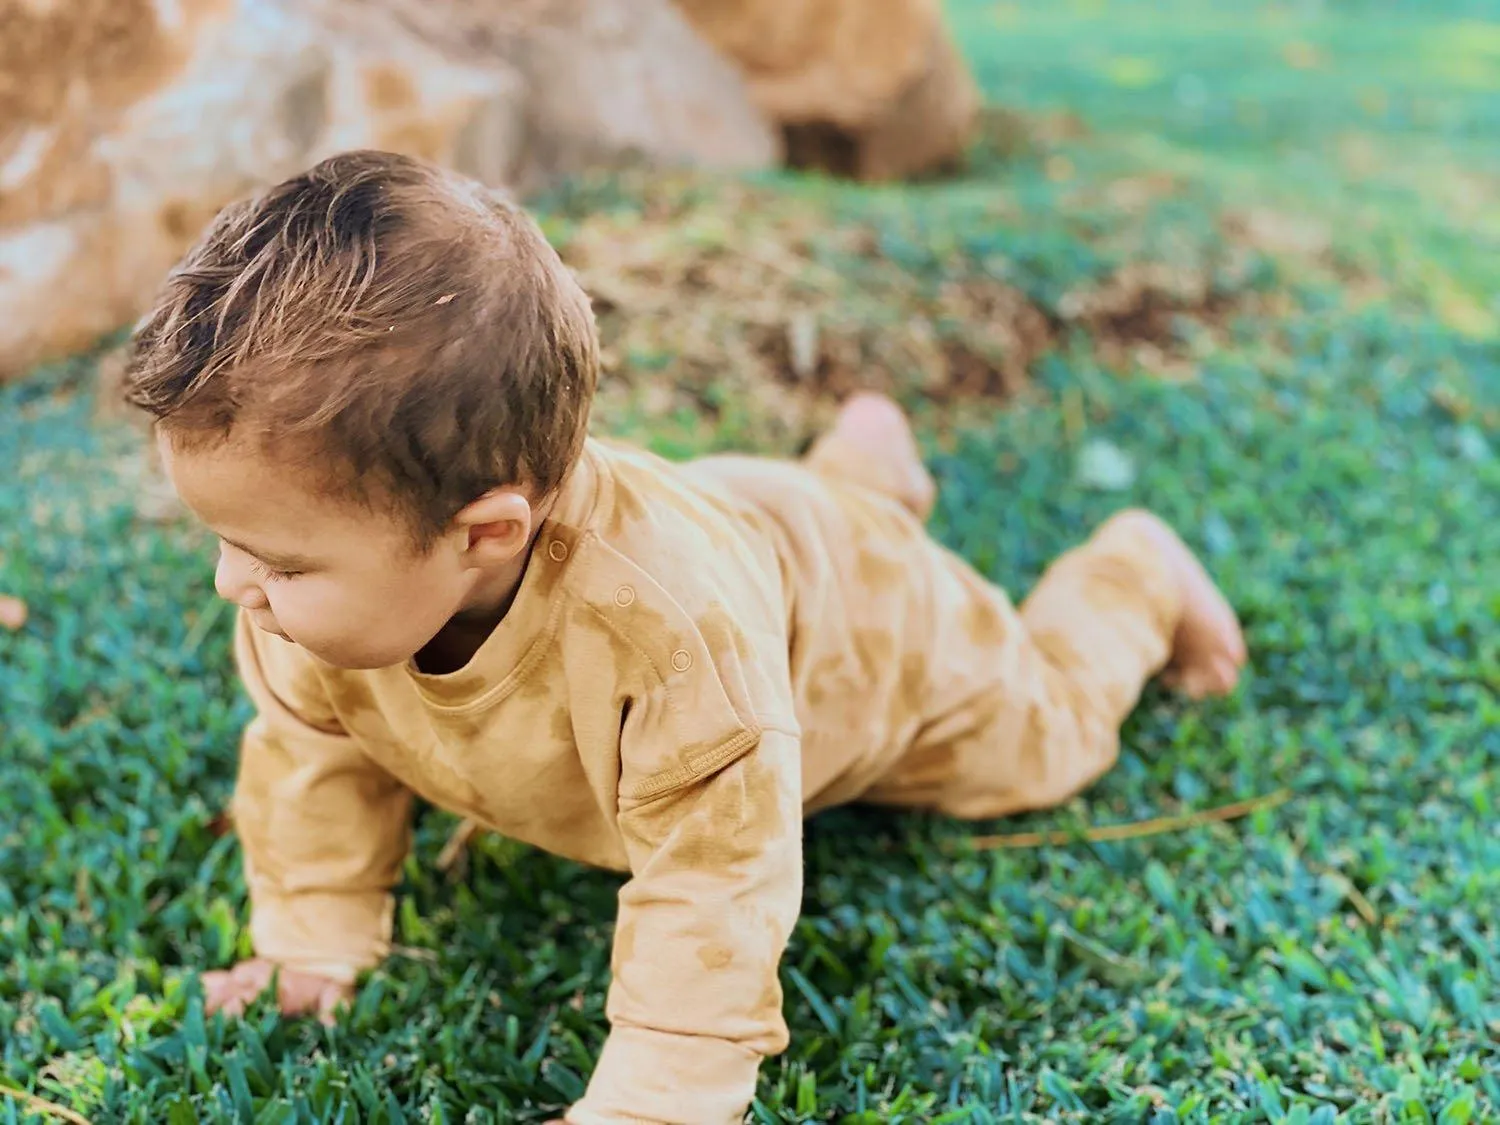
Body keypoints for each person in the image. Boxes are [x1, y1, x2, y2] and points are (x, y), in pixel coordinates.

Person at [121, 150, 1246, 1125]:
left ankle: (1131, 571)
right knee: (797, 520)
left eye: (278, 562)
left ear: (484, 534)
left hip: (869, 624)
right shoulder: (306, 598)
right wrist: (314, 940)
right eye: (227, 541)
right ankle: (860, 468)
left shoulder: (668, 649)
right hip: (750, 524)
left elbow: (719, 881)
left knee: (1044, 741)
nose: (235, 585)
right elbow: (311, 753)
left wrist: (655, 1098)